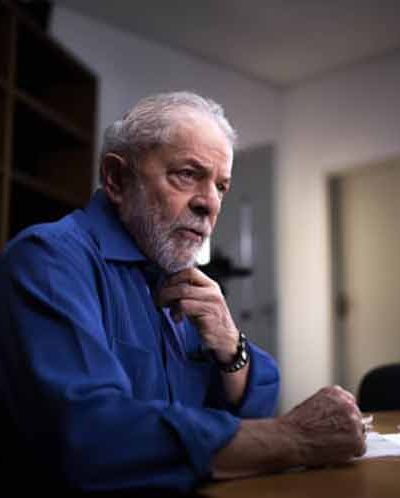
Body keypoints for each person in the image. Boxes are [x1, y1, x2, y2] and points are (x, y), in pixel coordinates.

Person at [0, 92, 365, 494]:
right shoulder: (48, 260)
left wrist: (232, 348)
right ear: (117, 178)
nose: (210, 204)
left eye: (221, 186)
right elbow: (94, 438)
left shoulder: (177, 273)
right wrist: (295, 439)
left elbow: (255, 411)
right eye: (188, 174)